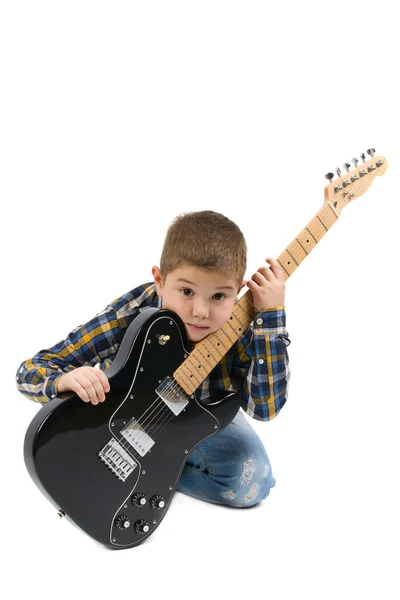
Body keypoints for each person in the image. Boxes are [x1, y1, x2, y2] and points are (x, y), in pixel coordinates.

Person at [16, 210, 290, 508]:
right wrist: (63, 382)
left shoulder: (242, 325)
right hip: (126, 420)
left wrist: (271, 318)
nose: (200, 311)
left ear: (238, 291)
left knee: (254, 482)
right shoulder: (135, 310)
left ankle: (164, 470)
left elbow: (264, 409)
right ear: (160, 281)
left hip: (199, 419)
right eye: (186, 291)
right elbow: (32, 370)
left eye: (219, 297)